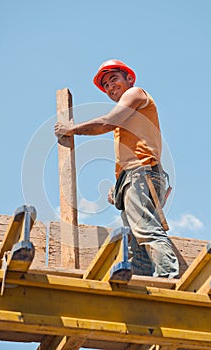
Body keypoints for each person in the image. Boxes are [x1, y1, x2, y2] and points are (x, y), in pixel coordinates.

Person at [54, 59, 179, 278]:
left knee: (146, 231)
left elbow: (106, 122)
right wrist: (120, 184)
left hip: (142, 173)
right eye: (106, 86)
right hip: (135, 175)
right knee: (135, 241)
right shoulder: (128, 114)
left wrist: (72, 129)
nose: (111, 87)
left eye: (114, 80)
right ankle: (146, 284)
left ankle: (168, 277)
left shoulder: (136, 94)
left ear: (129, 79)